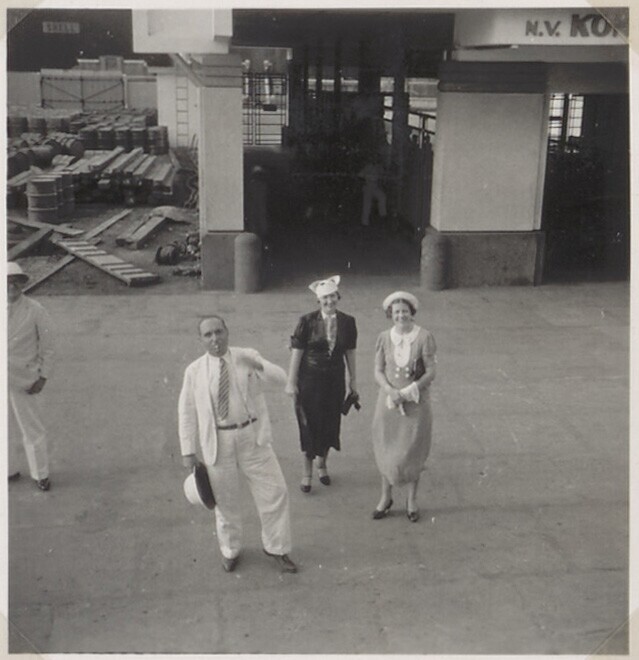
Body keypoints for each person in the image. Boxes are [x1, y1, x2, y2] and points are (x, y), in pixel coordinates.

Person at [178, 315, 297, 574]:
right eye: (208, 335)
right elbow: (186, 411)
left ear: (227, 332)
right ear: (201, 340)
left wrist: (260, 364)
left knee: (275, 491)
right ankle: (230, 549)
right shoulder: (194, 371)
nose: (215, 339)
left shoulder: (246, 356)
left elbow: (281, 379)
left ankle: (276, 548)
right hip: (217, 441)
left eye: (218, 332)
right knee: (225, 501)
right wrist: (188, 451)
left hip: (252, 436)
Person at [286, 275, 358, 493]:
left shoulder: (348, 322)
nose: (329, 301)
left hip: (334, 381)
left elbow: (350, 352)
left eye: (332, 296)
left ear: (338, 297)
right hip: (309, 381)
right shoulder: (307, 321)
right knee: (308, 424)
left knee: (330, 424)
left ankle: (322, 464)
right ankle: (307, 472)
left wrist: (353, 381)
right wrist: (291, 382)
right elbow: (297, 352)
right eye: (325, 298)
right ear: (318, 300)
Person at [371, 291, 436, 523]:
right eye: (397, 312)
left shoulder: (424, 337)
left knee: (412, 451)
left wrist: (410, 390)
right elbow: (378, 370)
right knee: (387, 449)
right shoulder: (384, 338)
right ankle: (385, 497)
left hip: (415, 404)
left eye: (405, 311)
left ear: (412, 312)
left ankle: (411, 500)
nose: (401, 316)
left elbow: (431, 371)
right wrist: (390, 390)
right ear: (391, 314)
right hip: (388, 404)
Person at [7, 261, 54, 491]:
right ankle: (8, 469)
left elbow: (48, 346)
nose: (11, 287)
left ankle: (40, 474)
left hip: (25, 378)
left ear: (23, 284)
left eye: (16, 282)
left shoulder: (35, 310)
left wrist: (43, 376)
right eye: (6, 282)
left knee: (32, 428)